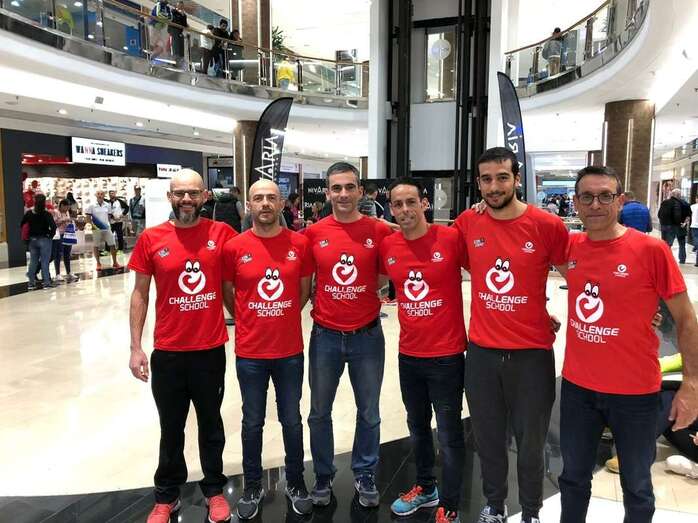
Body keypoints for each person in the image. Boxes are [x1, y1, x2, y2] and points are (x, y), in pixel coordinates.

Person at [558, 166, 698, 523]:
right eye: (587, 197)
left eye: (605, 196)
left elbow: (686, 320)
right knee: (573, 479)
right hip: (578, 390)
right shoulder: (570, 247)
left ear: (620, 200)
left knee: (637, 486)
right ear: (576, 202)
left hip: (635, 393)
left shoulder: (651, 250)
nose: (596, 204)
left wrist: (692, 385)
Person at [453, 147, 569, 523]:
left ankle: (531, 510)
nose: (494, 187)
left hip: (531, 356)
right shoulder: (468, 223)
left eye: (502, 177)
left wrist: (638, 310)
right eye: (486, 179)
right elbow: (428, 244)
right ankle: (494, 503)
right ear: (478, 183)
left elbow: (584, 274)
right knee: (488, 439)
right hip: (482, 355)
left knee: (532, 443)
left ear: (517, 179)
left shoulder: (547, 225)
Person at [128, 169, 237, 523]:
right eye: (180, 193)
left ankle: (214, 490)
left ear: (205, 196)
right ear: (170, 197)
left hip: (209, 351)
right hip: (169, 352)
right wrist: (135, 347)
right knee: (171, 427)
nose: (186, 199)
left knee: (211, 424)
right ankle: (167, 495)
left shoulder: (222, 234)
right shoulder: (151, 238)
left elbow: (246, 273)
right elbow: (140, 294)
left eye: (193, 193)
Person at [222, 180, 314, 519]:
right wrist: (248, 318)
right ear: (249, 205)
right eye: (258, 198)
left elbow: (303, 291)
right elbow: (228, 292)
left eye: (271, 198)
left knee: (292, 419)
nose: (264, 204)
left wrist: (281, 315)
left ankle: (296, 482)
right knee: (252, 422)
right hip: (250, 352)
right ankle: (252, 486)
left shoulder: (299, 244)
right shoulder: (234, 247)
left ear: (281, 203)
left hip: (289, 350)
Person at [304, 162, 393, 508]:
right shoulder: (313, 233)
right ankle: (323, 474)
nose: (343, 194)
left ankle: (365, 472)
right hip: (325, 337)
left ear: (360, 190)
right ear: (327, 192)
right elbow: (303, 280)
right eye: (336, 188)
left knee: (368, 411)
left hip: (366, 337)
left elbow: (384, 276)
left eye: (349, 187)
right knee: (319, 412)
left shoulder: (379, 231)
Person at [380, 178, 467, 523]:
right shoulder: (389, 246)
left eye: (410, 202)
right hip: (409, 355)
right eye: (397, 204)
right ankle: (426, 488)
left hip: (446, 356)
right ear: (391, 209)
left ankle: (451, 504)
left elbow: (491, 267)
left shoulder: (450, 238)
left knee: (449, 433)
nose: (404, 210)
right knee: (417, 427)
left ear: (424, 204)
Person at [21, 193, 57, 290]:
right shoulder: (46, 214)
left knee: (33, 262)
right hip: (44, 239)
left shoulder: (29, 213)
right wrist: (50, 235)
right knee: (45, 262)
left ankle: (31, 283)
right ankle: (46, 283)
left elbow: (22, 224)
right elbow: (53, 227)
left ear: (35, 202)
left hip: (32, 240)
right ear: (44, 202)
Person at [85, 190, 121, 270]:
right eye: (98, 194)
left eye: (101, 194)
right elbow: (88, 218)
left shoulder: (107, 205)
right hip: (96, 229)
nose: (100, 195)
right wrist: (92, 226)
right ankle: (98, 263)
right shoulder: (91, 205)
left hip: (106, 228)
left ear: (104, 195)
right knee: (96, 246)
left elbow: (109, 217)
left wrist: (110, 222)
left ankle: (115, 262)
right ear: (96, 195)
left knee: (112, 244)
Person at [658, 188, 691, 263]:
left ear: (672, 194)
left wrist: (662, 223)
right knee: (682, 243)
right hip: (679, 226)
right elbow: (688, 216)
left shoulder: (664, 202)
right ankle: (682, 259)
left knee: (667, 244)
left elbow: (659, 214)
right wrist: (684, 223)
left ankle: (666, 259)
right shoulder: (685, 203)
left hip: (665, 225)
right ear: (679, 195)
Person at [51, 199, 77, 283]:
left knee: (67, 254)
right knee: (58, 254)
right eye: (66, 207)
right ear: (62, 205)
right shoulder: (55, 212)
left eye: (68, 207)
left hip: (67, 234)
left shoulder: (67, 212)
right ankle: (57, 274)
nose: (67, 209)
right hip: (59, 235)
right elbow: (54, 223)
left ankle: (68, 272)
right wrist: (64, 220)